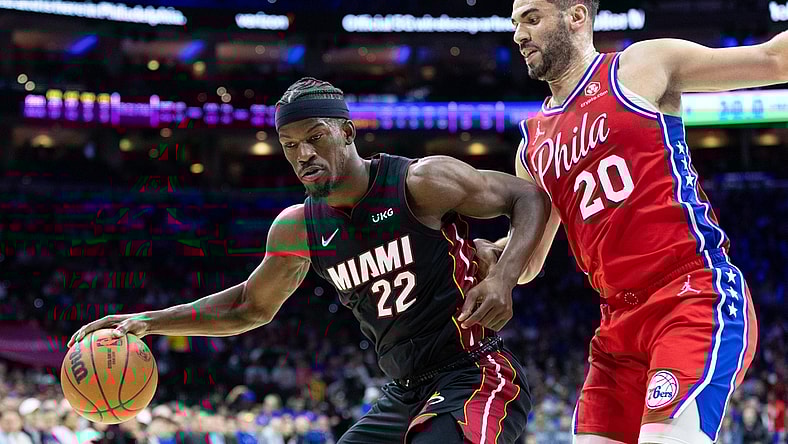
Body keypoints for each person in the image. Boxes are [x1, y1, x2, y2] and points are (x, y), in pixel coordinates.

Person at [68, 78, 551, 443]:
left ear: (346, 132)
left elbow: (527, 196)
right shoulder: (298, 227)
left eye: (315, 137)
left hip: (475, 373)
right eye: (290, 145)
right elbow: (248, 307)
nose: (303, 154)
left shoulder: (419, 183)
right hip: (404, 390)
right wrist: (149, 321)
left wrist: (504, 277)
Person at [472, 1, 787, 443]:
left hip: (690, 295)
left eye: (531, 18)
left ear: (576, 16)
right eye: (515, 23)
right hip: (617, 328)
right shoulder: (532, 145)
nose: (518, 35)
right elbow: (528, 263)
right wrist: (487, 254)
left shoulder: (640, 66)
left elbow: (775, 58)